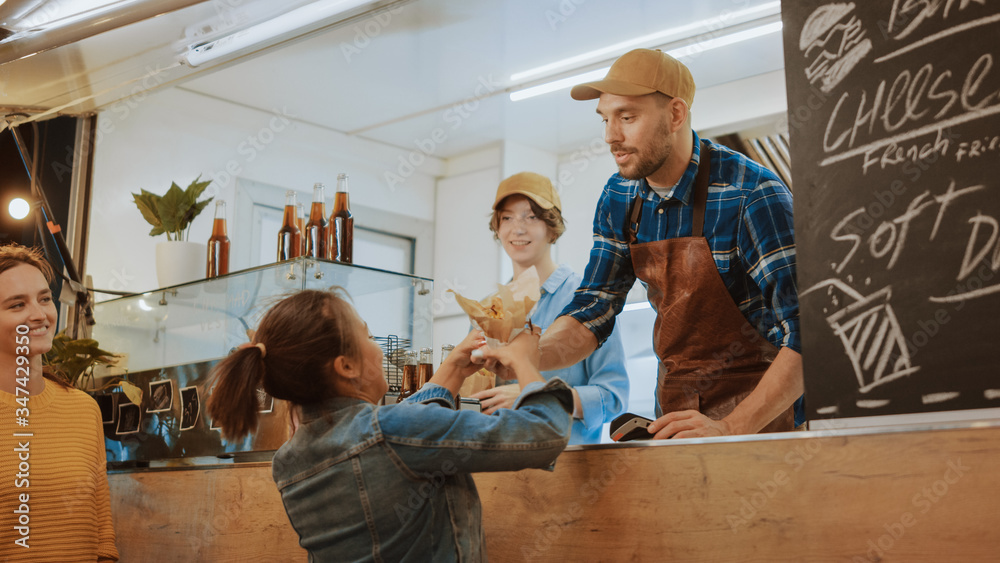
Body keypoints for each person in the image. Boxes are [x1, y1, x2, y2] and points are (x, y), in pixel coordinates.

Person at [539, 48, 804, 440]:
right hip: (677, 423)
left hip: (763, 430)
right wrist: (525, 355)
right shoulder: (620, 197)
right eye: (606, 119)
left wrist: (729, 428)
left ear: (676, 115)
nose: (611, 136)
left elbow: (806, 331)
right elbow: (593, 308)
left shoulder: (752, 193)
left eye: (627, 117)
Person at [207, 289, 573, 562]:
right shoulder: (391, 432)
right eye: (366, 335)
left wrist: (453, 370)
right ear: (345, 367)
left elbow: (393, 441)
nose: (379, 348)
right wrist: (527, 363)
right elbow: (544, 433)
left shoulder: (287, 461)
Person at [472, 172, 629, 445]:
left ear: (552, 227)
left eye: (531, 217)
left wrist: (536, 394)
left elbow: (613, 397)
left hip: (566, 469)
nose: (517, 229)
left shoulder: (588, 300)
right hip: (499, 465)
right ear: (497, 228)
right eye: (507, 218)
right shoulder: (487, 308)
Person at [0, 244, 119, 562]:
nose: (39, 315)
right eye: (17, 305)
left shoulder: (83, 409)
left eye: (44, 298)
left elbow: (102, 537)